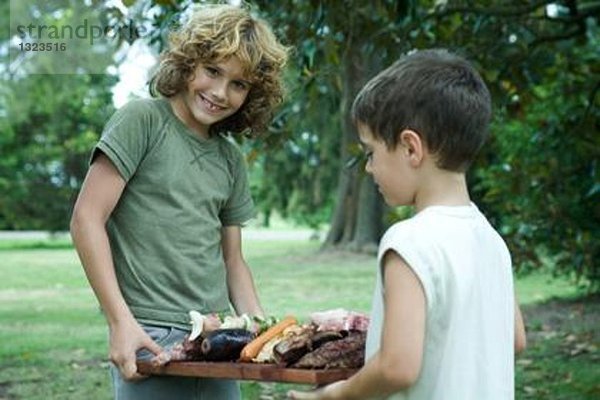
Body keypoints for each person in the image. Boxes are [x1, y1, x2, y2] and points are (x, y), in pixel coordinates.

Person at [70, 4, 288, 399]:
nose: (220, 92)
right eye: (213, 71)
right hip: (149, 333)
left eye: (239, 84)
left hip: (221, 338)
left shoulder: (230, 158)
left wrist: (260, 326)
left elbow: (232, 260)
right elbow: (86, 220)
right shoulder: (142, 121)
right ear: (188, 63)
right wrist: (121, 322)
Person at [288, 49, 527, 400]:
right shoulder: (490, 240)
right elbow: (515, 340)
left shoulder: (409, 240)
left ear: (410, 148)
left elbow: (397, 367)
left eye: (371, 153)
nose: (369, 168)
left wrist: (332, 395)